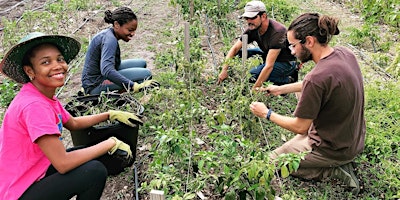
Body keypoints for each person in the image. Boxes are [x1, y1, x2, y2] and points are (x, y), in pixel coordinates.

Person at [0, 32, 143, 199]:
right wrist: (110, 142)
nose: (57, 66)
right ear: (30, 71)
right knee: (93, 171)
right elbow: (63, 163)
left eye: (60, 59)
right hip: (19, 191)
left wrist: (110, 114)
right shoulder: (34, 106)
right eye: (46, 62)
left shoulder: (42, 95)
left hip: (36, 172)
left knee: (91, 155)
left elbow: (73, 123)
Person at [249, 13, 365, 195]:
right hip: (353, 137)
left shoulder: (316, 78)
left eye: (293, 45)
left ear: (309, 41)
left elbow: (301, 127)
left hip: (333, 148)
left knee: (269, 162)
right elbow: (317, 85)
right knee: (300, 100)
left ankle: (333, 170)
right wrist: (280, 89)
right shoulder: (344, 54)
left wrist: (266, 113)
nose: (292, 51)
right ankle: (326, 160)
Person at [217, 1, 298, 89]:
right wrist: (224, 70)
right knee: (235, 54)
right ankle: (230, 76)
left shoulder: (277, 32)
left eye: (252, 17)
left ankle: (287, 80)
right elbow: (235, 48)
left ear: (263, 16)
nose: (249, 21)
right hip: (267, 53)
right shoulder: (253, 28)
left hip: (285, 62)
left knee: (252, 76)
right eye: (246, 18)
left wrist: (255, 89)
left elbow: (269, 66)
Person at [81, 6, 159, 95]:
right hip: (95, 85)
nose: (133, 34)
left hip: (100, 75)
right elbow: (107, 70)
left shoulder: (109, 34)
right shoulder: (110, 40)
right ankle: (120, 94)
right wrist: (133, 86)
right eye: (130, 30)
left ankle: (121, 87)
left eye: (134, 30)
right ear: (117, 25)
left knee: (142, 63)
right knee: (146, 74)